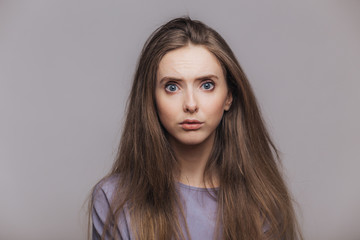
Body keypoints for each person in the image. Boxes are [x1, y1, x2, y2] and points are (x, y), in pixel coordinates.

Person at [88, 16, 302, 240]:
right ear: (150, 99)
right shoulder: (113, 198)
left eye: (206, 85)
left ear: (229, 96)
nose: (191, 104)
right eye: (172, 87)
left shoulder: (262, 199)